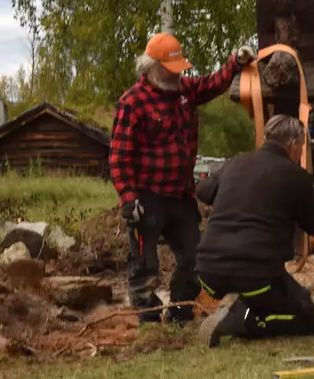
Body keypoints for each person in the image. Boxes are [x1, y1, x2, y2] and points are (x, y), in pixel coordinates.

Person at [109, 33, 257, 324]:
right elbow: (119, 157)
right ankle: (149, 319)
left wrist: (235, 62)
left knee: (195, 256)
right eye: (171, 68)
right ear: (152, 66)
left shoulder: (184, 91)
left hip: (180, 195)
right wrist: (129, 200)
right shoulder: (132, 103)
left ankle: (181, 311)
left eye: (179, 68)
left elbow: (213, 83)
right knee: (144, 264)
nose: (178, 73)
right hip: (146, 197)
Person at [194, 114, 314, 347]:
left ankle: (234, 303)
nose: (300, 153)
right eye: (301, 147)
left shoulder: (237, 163)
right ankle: (240, 322)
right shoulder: (296, 177)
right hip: (255, 272)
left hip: (208, 269)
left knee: (268, 292)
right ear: (293, 144)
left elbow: (203, 191)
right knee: (306, 317)